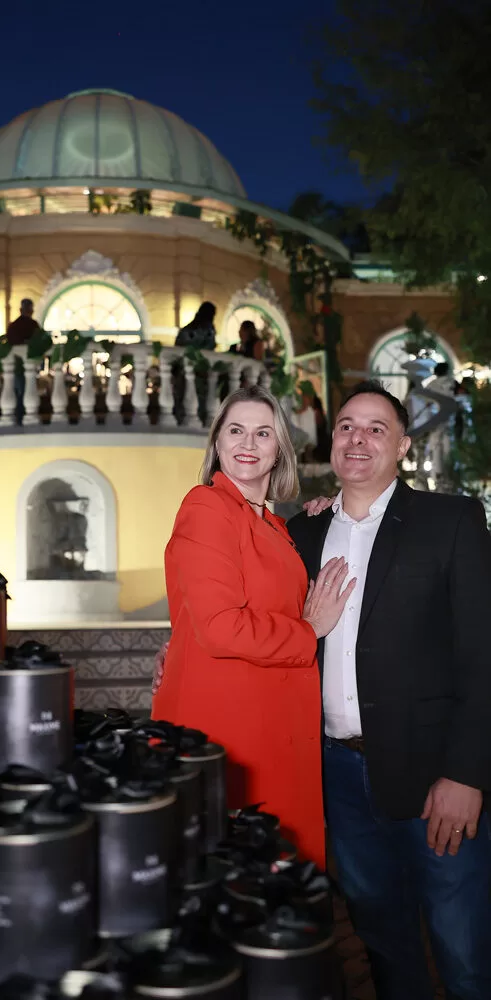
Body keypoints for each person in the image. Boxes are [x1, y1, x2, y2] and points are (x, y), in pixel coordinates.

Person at [289, 380, 491, 1000]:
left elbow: (482, 655)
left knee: (464, 954)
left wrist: (466, 775)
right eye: (347, 426)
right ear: (332, 440)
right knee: (384, 945)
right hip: (338, 776)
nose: (358, 438)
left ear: (402, 446)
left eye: (377, 428)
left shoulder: (450, 521)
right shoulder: (300, 532)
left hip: (435, 779)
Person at [151, 384, 354, 868]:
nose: (248, 443)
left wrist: (327, 512)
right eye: (235, 430)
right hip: (230, 728)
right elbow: (220, 627)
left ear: (279, 448)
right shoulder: (207, 505)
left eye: (263, 433)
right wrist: (309, 629)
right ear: (217, 443)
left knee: (273, 876)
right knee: (238, 876)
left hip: (271, 725)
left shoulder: (277, 525)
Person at [6, 299, 41, 424]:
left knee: (20, 392)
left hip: (19, 365)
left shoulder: (15, 326)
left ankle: (20, 418)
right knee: (22, 392)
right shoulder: (28, 325)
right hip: (21, 365)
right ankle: (21, 418)